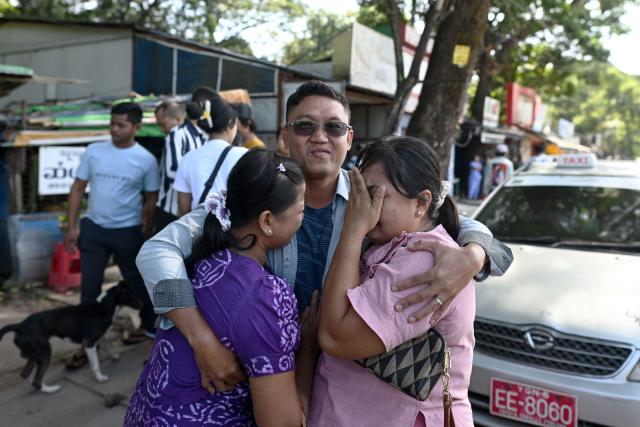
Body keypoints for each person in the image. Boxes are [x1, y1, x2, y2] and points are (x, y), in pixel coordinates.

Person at [136, 81, 513, 395]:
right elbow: (157, 250)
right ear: (285, 137)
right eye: (304, 126)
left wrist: (474, 255)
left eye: (333, 128)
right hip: (249, 373)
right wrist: (200, 337)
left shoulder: (374, 196)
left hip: (335, 381)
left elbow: (449, 214)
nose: (320, 137)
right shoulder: (256, 194)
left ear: (349, 138)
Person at [124, 149, 316, 426]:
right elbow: (282, 423)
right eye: (300, 211)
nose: (303, 218)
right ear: (267, 221)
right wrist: (308, 349)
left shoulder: (201, 252)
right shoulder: (267, 298)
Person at [311, 136, 475, 426]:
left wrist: (353, 229)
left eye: (375, 195)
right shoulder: (387, 242)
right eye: (358, 194)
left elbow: (336, 337)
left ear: (421, 203)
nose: (360, 206)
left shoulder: (425, 260)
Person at [64, 101, 160, 356]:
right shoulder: (94, 151)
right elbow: (77, 188)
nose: (114, 129)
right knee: (89, 290)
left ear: (136, 127)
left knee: (138, 285)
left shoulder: (146, 160)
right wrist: (70, 226)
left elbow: (151, 200)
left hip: (127, 233)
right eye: (112, 124)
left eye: (121, 125)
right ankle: (87, 344)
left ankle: (148, 328)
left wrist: (147, 232)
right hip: (94, 229)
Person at [173, 95, 247, 216]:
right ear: (230, 124)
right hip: (233, 230)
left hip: (200, 232)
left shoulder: (188, 159)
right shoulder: (244, 155)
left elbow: (183, 210)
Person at [154, 100, 188, 231]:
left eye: (163, 124)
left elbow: (172, 173)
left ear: (178, 119)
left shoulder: (174, 135)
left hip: (170, 209)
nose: (162, 129)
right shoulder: (197, 135)